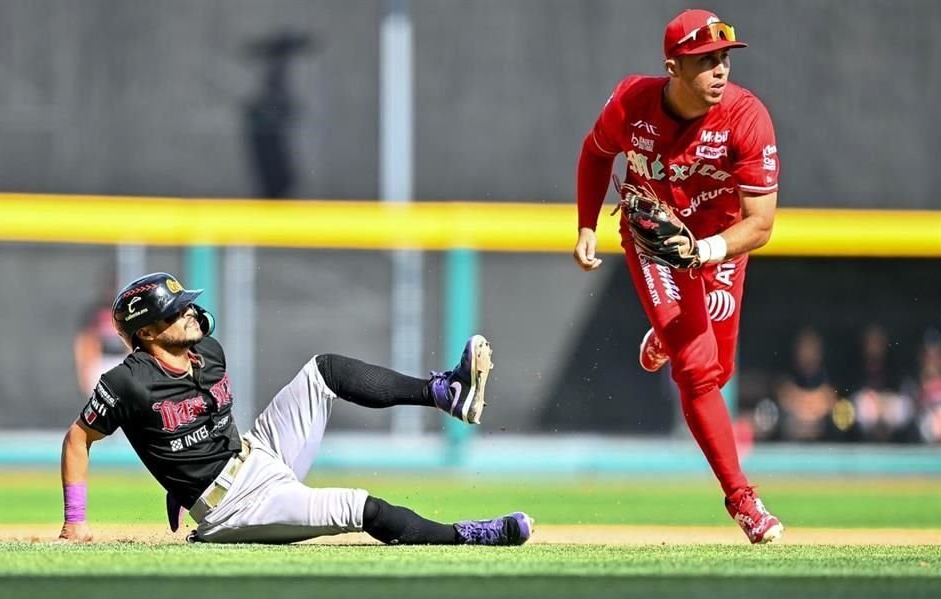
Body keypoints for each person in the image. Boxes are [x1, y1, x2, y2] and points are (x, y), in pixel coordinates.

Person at [59, 272, 532, 545]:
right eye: (174, 311)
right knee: (361, 506)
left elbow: (197, 426)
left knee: (322, 371)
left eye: (185, 306)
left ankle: (444, 393)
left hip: (256, 456)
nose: (188, 313)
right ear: (145, 332)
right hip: (239, 507)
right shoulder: (127, 381)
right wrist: (75, 520)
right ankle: (468, 536)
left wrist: (178, 477)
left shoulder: (210, 352)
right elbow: (78, 438)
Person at [572, 9, 783, 543]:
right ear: (673, 67)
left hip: (719, 245)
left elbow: (760, 223)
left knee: (719, 368)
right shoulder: (631, 103)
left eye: (722, 59)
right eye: (704, 61)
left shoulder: (746, 118)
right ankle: (743, 501)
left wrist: (706, 251)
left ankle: (667, 335)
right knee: (697, 372)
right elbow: (596, 153)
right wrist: (586, 224)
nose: (719, 71)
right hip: (657, 244)